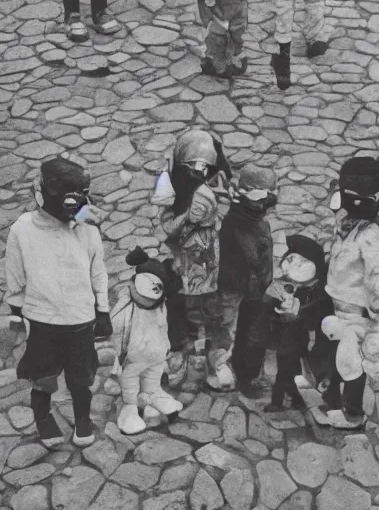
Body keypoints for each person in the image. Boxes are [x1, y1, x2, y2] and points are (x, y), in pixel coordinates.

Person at [6, 157, 111, 448]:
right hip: (42, 320)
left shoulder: (87, 228)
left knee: (81, 379)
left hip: (80, 319)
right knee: (44, 378)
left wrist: (102, 310)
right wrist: (16, 310)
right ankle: (43, 419)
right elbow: (15, 275)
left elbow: (97, 270)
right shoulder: (22, 230)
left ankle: (83, 421)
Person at [315, 156, 379, 429]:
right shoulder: (347, 222)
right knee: (333, 356)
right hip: (334, 302)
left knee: (350, 362)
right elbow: (336, 250)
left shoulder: (371, 234)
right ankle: (333, 401)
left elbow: (377, 271)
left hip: (355, 310)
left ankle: (354, 412)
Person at [160, 129, 234, 392]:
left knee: (215, 311)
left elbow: (228, 213)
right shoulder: (174, 193)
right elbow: (168, 228)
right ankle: (183, 355)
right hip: (185, 261)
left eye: (204, 166)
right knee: (183, 309)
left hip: (212, 261)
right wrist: (188, 219)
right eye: (193, 166)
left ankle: (218, 358)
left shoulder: (217, 185)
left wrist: (213, 213)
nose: (199, 172)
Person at [217, 165, 278, 397]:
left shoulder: (254, 218)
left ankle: (247, 371)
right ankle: (240, 374)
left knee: (248, 329)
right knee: (235, 330)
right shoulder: (238, 222)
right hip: (239, 286)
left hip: (253, 287)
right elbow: (252, 258)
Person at [109, 247, 183, 435]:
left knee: (142, 378)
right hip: (144, 354)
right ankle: (141, 401)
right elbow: (118, 327)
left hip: (148, 354)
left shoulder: (153, 305)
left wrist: (166, 345)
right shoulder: (138, 304)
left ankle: (143, 400)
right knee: (140, 377)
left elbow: (161, 325)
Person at [263, 234, 334, 412]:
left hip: (297, 339)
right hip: (287, 337)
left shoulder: (316, 291)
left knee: (288, 370)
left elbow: (313, 316)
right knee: (289, 370)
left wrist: (310, 337)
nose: (293, 266)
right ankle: (291, 400)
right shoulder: (286, 285)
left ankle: (281, 401)